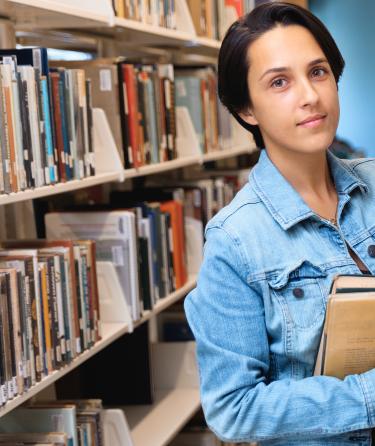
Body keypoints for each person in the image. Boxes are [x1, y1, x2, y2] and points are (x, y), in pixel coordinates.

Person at [184, 2, 375, 445]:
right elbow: (233, 409)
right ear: (247, 109)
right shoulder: (235, 241)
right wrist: (367, 396)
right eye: (279, 82)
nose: (310, 95)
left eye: (319, 72)